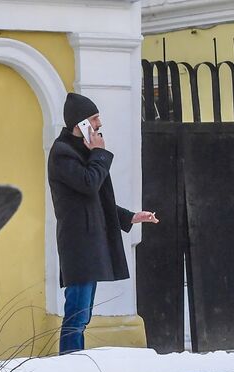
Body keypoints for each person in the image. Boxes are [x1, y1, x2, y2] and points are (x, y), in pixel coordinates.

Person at [48, 92, 159, 354]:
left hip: (90, 241)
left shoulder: (82, 151)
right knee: (77, 313)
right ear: (81, 123)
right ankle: (69, 363)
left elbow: (97, 199)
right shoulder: (62, 153)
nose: (99, 124)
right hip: (78, 243)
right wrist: (99, 152)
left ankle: (74, 361)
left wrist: (130, 217)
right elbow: (88, 184)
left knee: (83, 314)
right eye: (94, 119)